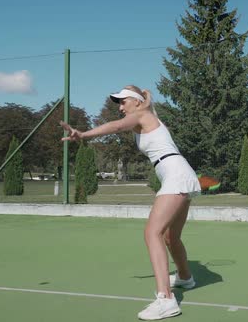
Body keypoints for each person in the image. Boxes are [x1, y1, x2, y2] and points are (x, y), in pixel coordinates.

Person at [60, 85, 201, 320]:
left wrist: (83, 135)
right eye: (118, 103)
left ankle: (166, 300)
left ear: (136, 102)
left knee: (151, 233)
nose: (120, 106)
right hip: (178, 172)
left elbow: (115, 127)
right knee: (169, 237)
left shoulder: (142, 115)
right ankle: (186, 278)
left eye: (123, 101)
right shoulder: (146, 115)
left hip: (176, 173)